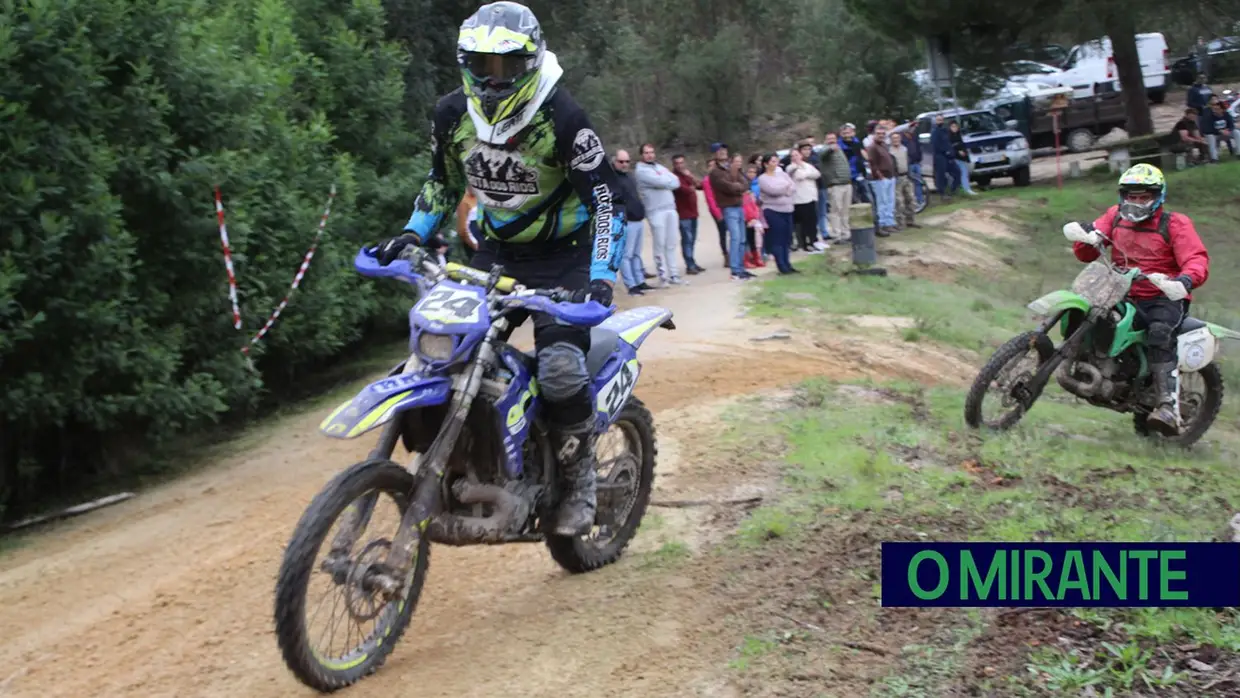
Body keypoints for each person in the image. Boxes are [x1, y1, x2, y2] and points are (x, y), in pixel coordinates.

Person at [371, 1, 625, 536]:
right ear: (465, 61)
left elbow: (606, 199)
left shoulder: (564, 118)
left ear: (530, 63)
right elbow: (441, 184)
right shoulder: (451, 114)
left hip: (566, 254)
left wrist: (601, 274)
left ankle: (578, 480)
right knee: (448, 349)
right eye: (482, 65)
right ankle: (468, 456)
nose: (493, 78)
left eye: (506, 66)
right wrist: (413, 232)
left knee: (558, 366)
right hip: (496, 252)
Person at [1061, 164, 1209, 436]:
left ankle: (1167, 405)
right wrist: (1085, 237)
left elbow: (1196, 258)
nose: (1137, 202)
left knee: (1159, 333)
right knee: (1084, 308)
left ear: (1158, 196)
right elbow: (1087, 251)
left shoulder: (1175, 224)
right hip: (1120, 288)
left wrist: (1185, 280)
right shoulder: (1115, 216)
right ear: (1123, 196)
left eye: (1144, 197)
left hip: (1163, 295)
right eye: (1132, 196)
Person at [635, 143, 686, 285]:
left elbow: (676, 182)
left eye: (651, 152)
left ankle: (674, 274)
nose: (650, 155)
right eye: (646, 153)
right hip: (655, 210)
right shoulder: (641, 170)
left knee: (671, 243)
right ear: (641, 155)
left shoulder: (659, 167)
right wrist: (666, 181)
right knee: (660, 244)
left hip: (670, 208)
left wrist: (666, 181)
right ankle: (663, 276)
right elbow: (660, 181)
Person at [613, 149, 653, 295]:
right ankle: (631, 285)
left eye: (627, 161)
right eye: (621, 161)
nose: (624, 164)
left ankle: (640, 281)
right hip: (626, 221)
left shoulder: (630, 177)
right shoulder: (613, 179)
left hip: (638, 219)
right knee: (626, 255)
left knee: (636, 253)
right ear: (614, 162)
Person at [708, 149, 752, 280]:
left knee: (742, 239)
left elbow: (745, 182)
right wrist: (738, 187)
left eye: (724, 151)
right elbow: (727, 187)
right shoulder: (715, 172)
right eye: (719, 152)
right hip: (728, 207)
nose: (723, 154)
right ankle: (735, 270)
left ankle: (741, 267)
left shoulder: (732, 168)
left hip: (739, 206)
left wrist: (737, 186)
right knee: (735, 238)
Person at [757, 153, 798, 274]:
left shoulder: (783, 174)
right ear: (766, 164)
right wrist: (786, 187)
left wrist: (785, 188)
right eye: (773, 161)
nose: (776, 164)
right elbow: (773, 191)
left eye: (776, 161)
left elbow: (793, 187)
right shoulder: (763, 178)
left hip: (788, 209)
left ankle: (788, 264)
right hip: (773, 211)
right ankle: (782, 266)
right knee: (777, 240)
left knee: (787, 239)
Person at [671, 153, 705, 275]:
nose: (680, 165)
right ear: (674, 165)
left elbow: (700, 186)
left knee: (692, 239)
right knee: (687, 239)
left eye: (681, 163)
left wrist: (690, 177)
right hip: (683, 213)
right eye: (677, 163)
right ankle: (689, 265)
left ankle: (693, 262)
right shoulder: (674, 177)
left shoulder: (687, 174)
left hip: (693, 211)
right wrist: (691, 183)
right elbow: (686, 190)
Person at [786, 143, 823, 252]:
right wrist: (807, 174)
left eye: (796, 155)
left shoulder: (807, 165)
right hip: (799, 199)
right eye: (792, 156)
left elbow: (817, 174)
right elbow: (799, 176)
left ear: (800, 155)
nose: (795, 157)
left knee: (812, 221)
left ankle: (814, 240)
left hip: (811, 196)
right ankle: (805, 243)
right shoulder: (790, 167)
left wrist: (806, 174)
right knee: (802, 223)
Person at [948, 120, 977, 195]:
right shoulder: (949, 137)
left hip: (962, 158)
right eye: (953, 127)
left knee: (964, 173)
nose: (955, 128)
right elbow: (950, 147)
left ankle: (964, 189)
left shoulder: (958, 135)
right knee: (962, 173)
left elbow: (962, 145)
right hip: (955, 158)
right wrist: (958, 152)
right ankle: (966, 189)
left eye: (956, 126)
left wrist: (964, 153)